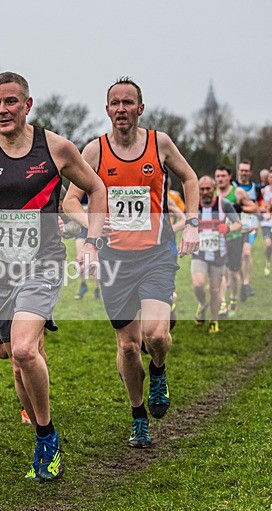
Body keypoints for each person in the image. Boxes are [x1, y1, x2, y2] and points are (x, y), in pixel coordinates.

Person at [0, 71, 107, 481]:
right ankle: (39, 425)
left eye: (11, 101)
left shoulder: (55, 147)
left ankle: (47, 436)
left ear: (27, 105)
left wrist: (91, 241)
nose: (3, 110)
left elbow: (98, 189)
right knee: (13, 360)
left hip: (44, 263)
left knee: (21, 349)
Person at [64, 77, 199, 450]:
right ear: (106, 110)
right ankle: (139, 417)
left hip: (156, 255)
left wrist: (191, 222)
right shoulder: (94, 151)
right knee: (126, 346)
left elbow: (189, 178)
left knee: (155, 335)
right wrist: (90, 226)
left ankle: (158, 369)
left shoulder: (160, 143)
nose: (121, 109)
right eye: (115, 103)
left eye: (128, 102)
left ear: (140, 108)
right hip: (115, 260)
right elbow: (70, 200)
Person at [192, 175, 241, 333]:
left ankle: (214, 320)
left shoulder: (224, 204)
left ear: (214, 189)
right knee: (198, 284)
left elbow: (238, 224)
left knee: (215, 290)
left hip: (218, 255)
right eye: (202, 189)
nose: (205, 192)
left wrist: (227, 229)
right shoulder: (193, 205)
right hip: (199, 253)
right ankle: (202, 303)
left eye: (208, 189)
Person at [214, 165, 256, 316]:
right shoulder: (212, 194)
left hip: (235, 237)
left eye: (223, 176)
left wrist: (239, 208)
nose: (220, 179)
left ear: (229, 177)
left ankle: (233, 299)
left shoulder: (237, 192)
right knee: (220, 272)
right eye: (217, 176)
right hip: (218, 239)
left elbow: (254, 208)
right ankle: (223, 304)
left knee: (232, 272)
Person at [233, 160, 262, 300]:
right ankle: (240, 283)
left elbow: (259, 208)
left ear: (250, 172)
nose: (244, 173)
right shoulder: (232, 187)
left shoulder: (256, 189)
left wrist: (241, 208)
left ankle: (246, 284)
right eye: (242, 170)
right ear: (238, 171)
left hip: (250, 226)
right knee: (236, 259)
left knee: (246, 253)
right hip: (234, 228)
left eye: (246, 171)